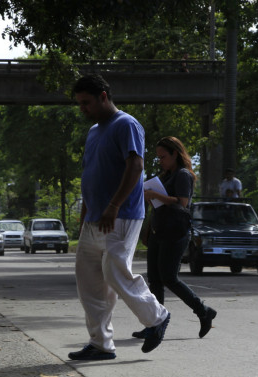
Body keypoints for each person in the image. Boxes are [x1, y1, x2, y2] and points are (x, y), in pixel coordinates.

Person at [68, 74, 170, 361]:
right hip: (94, 217)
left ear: (103, 96)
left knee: (115, 271)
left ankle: (157, 317)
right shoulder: (93, 132)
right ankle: (100, 343)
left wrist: (113, 206)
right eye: (79, 104)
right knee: (89, 281)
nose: (82, 109)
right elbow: (91, 173)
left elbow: (135, 166)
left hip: (121, 214)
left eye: (86, 103)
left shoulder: (127, 124)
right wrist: (87, 211)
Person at [138, 136, 217, 340]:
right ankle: (155, 323)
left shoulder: (183, 175)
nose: (161, 160)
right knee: (154, 279)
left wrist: (155, 195)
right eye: (158, 157)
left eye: (163, 156)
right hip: (159, 230)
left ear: (175, 154)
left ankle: (203, 311)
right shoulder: (164, 175)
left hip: (176, 232)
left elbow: (182, 202)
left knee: (169, 278)